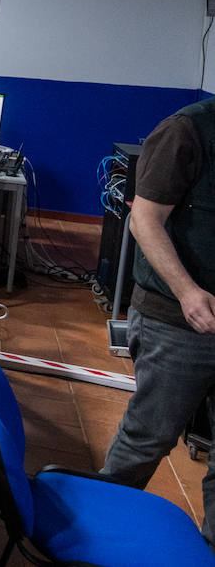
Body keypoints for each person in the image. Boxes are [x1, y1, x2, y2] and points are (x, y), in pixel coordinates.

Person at [101, 97, 215, 549]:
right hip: (177, 321)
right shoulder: (188, 131)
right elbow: (144, 218)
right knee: (148, 437)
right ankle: (96, 535)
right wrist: (188, 292)